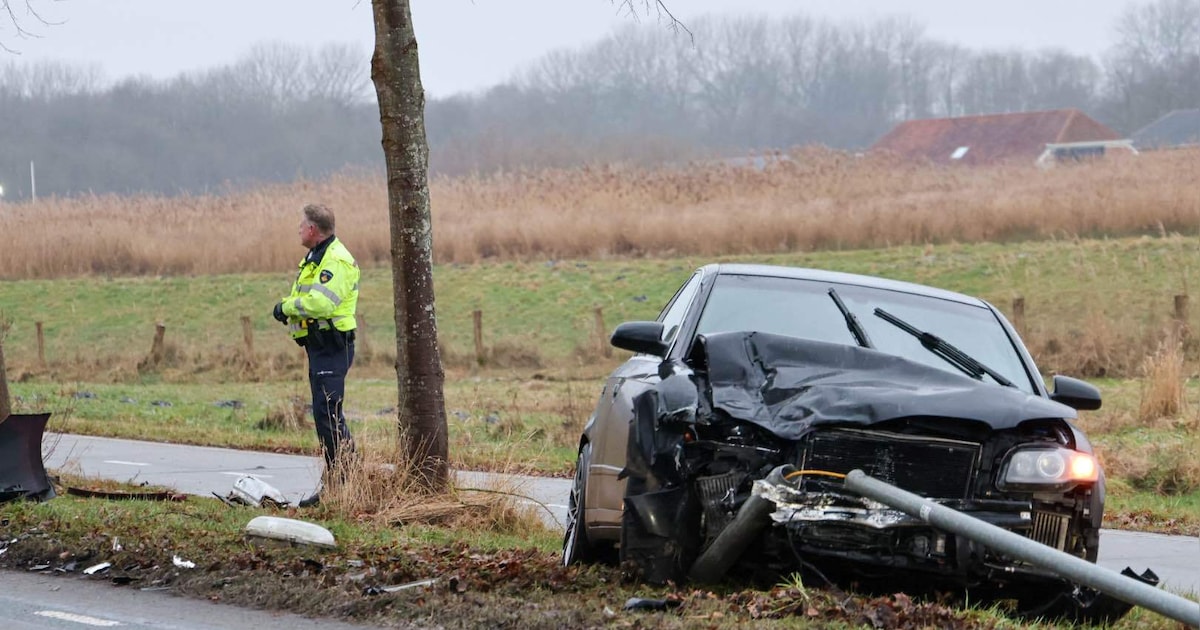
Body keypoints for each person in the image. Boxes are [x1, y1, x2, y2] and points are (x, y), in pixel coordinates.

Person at [272, 203, 360, 506]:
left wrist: (285, 308)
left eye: (302, 224)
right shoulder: (314, 258)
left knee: (329, 414)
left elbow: (321, 304)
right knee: (325, 415)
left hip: (333, 345)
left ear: (312, 229)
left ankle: (346, 484)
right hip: (318, 345)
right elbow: (305, 297)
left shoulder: (336, 261)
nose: (298, 228)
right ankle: (339, 483)